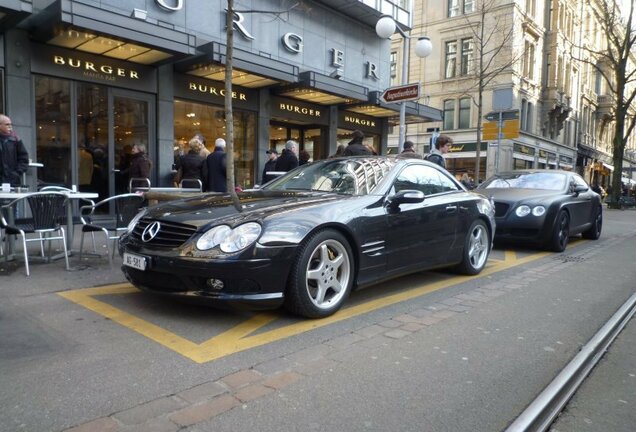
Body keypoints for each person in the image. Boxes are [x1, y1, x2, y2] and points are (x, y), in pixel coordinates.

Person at [0, 114, 29, 186]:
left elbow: (24, 159)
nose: (10, 126)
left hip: (12, 181)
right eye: (7, 124)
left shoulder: (15, 140)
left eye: (10, 124)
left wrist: (16, 173)